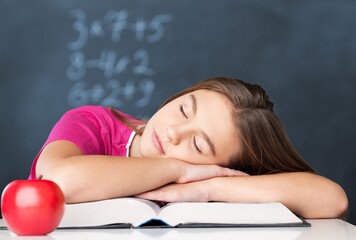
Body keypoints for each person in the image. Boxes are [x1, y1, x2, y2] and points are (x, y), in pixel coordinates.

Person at [30, 77, 348, 220]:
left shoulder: (210, 178)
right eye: (184, 110)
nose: (172, 132)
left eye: (197, 144)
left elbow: (331, 199)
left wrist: (209, 187)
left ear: (223, 164)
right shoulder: (92, 122)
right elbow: (57, 182)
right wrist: (180, 169)